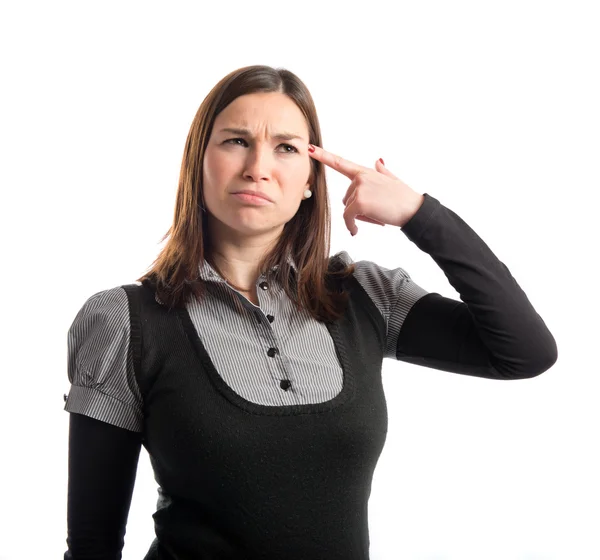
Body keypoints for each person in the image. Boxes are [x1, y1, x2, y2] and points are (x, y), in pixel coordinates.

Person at [63, 64, 558, 560]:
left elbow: (524, 352)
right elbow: (92, 546)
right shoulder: (125, 321)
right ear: (198, 162)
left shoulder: (364, 297)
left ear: (309, 180)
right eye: (236, 141)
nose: (258, 166)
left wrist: (419, 214)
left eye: (286, 148)